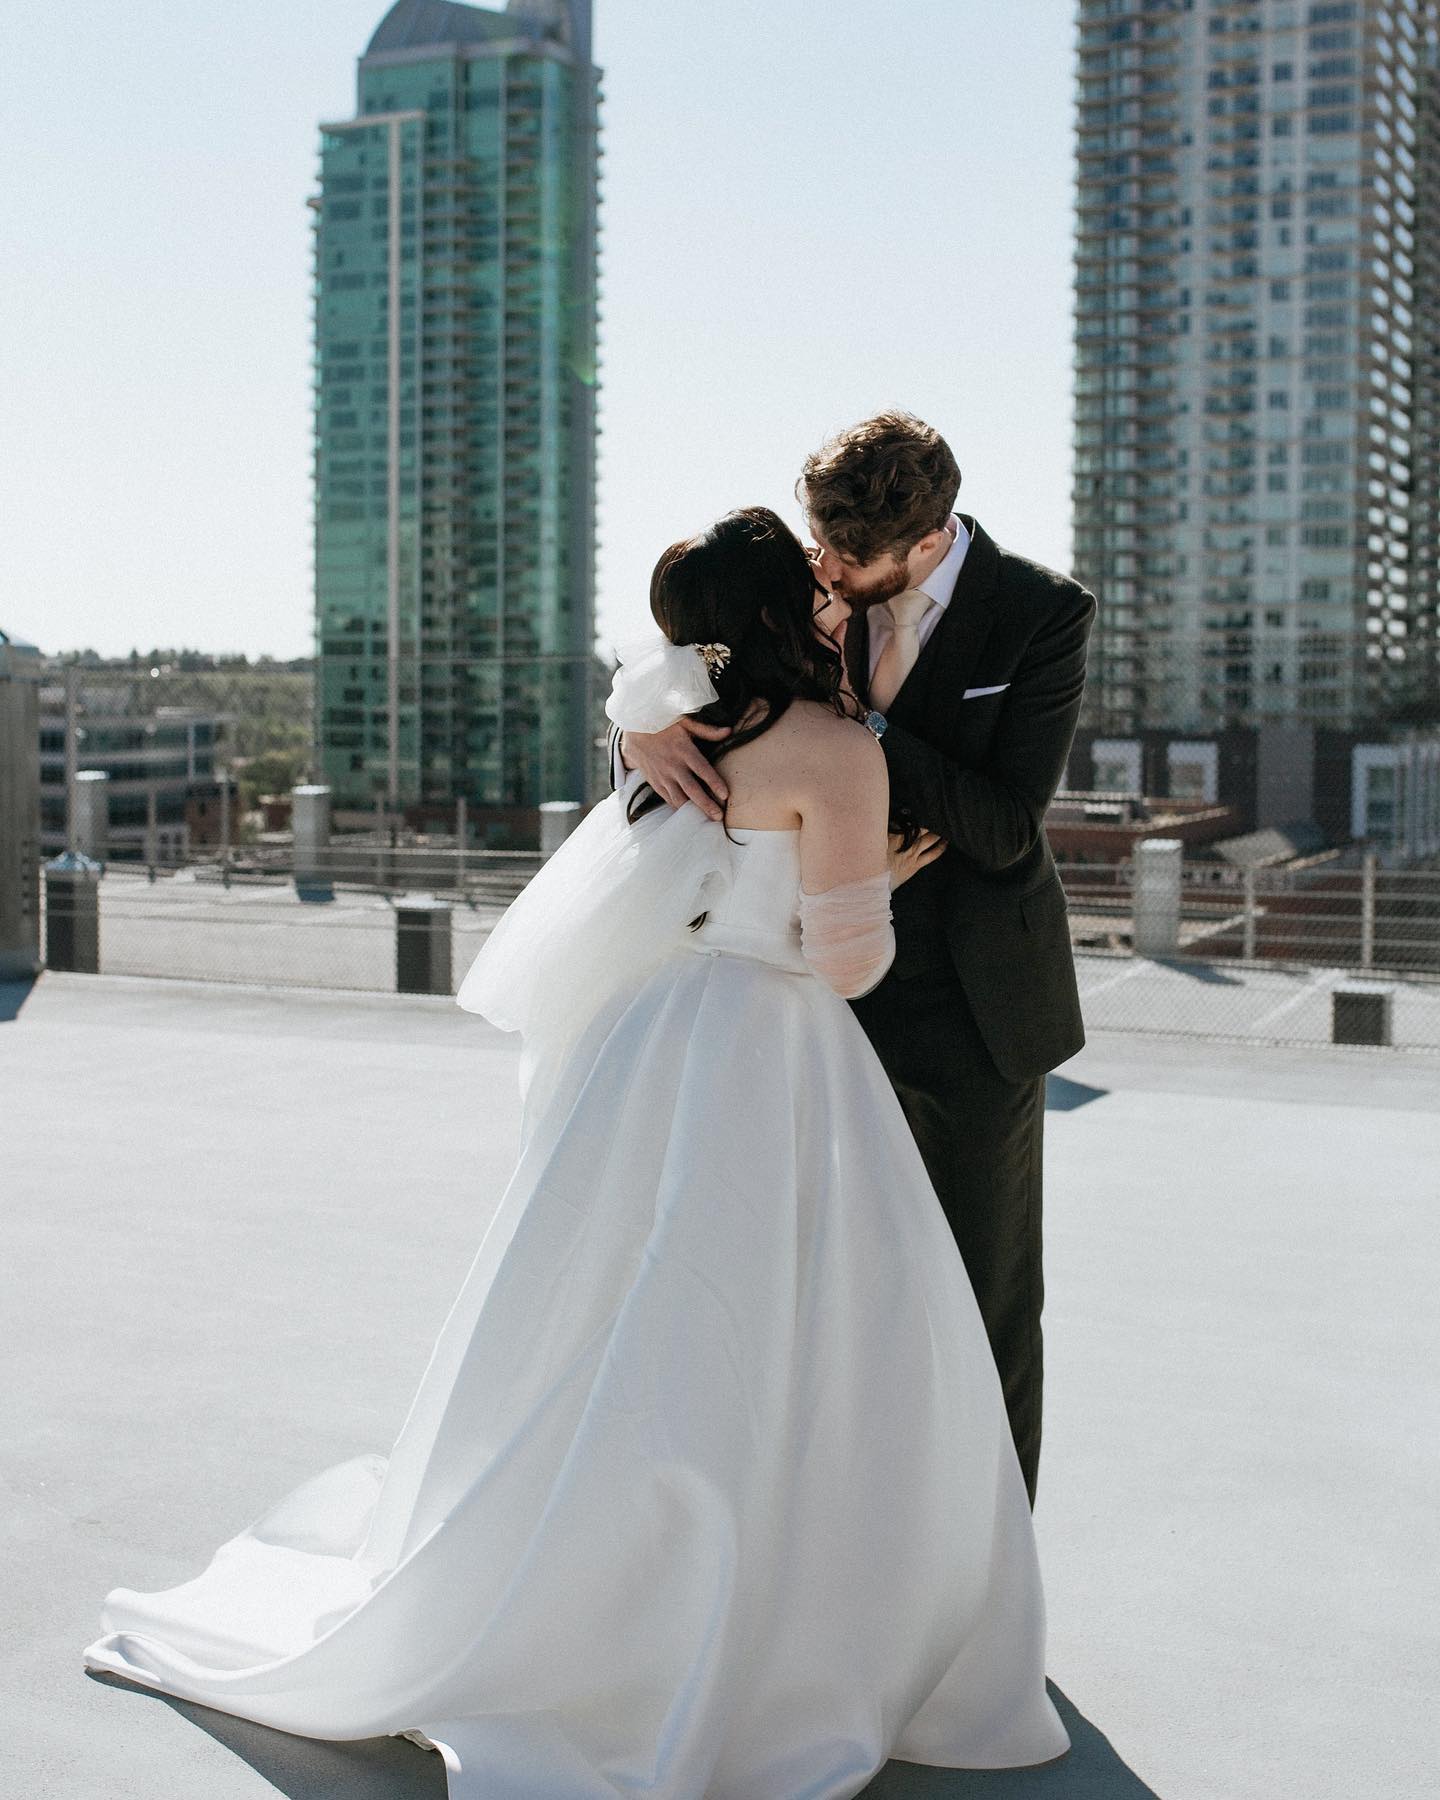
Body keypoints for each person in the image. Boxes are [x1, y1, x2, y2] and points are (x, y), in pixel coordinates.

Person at [83, 506, 1069, 1799]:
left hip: (659, 1039)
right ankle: (786, 1611)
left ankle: (574, 1585)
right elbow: (848, 964)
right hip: (779, 1052)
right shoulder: (835, 750)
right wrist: (886, 867)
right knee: (799, 1333)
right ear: (792, 605)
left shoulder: (688, 721)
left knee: (614, 1308)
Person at [616, 414, 1097, 1505]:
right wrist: (633, 722)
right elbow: (684, 646)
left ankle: (991, 1564)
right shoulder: (805, 579)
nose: (821, 572)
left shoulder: (1040, 613)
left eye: (847, 561)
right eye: (817, 547)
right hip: (818, 1007)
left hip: (975, 1012)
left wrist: (858, 744)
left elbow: (1008, 828)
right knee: (827, 1297)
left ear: (925, 544)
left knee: (982, 1302)